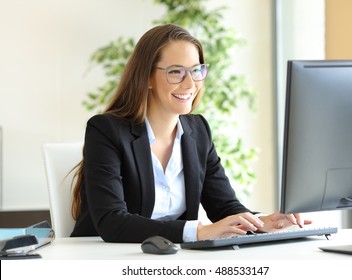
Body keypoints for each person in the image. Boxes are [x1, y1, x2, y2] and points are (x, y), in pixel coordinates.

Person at [70, 24, 311, 243]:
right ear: (148, 78)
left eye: (196, 70)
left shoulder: (198, 131)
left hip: (171, 259)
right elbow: (112, 223)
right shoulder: (106, 130)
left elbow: (224, 207)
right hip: (104, 260)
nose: (190, 84)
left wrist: (263, 222)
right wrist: (198, 232)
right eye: (176, 72)